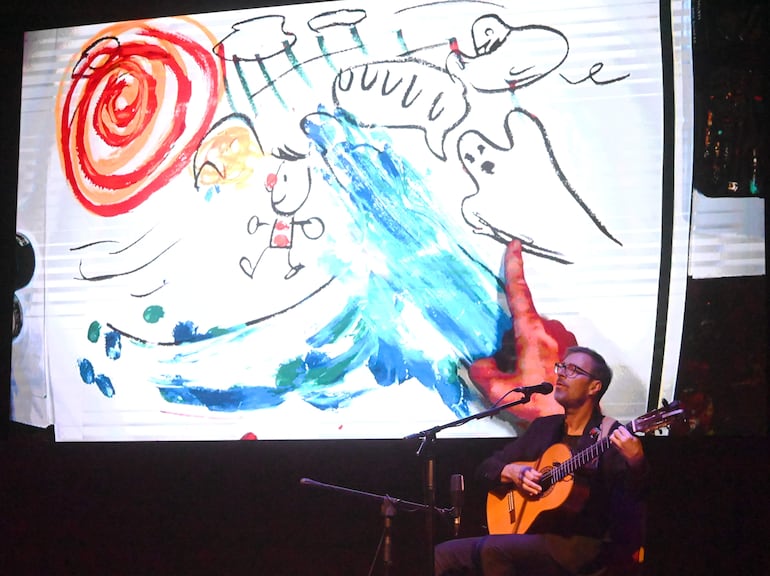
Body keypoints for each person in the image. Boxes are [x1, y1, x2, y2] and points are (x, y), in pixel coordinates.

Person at [435, 345, 648, 576]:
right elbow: (485, 470)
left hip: (579, 545)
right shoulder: (544, 428)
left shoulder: (610, 435)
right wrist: (511, 472)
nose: (562, 374)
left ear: (594, 387)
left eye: (574, 370)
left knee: (493, 549)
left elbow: (635, 495)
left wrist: (636, 462)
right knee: (441, 555)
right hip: (531, 537)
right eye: (562, 367)